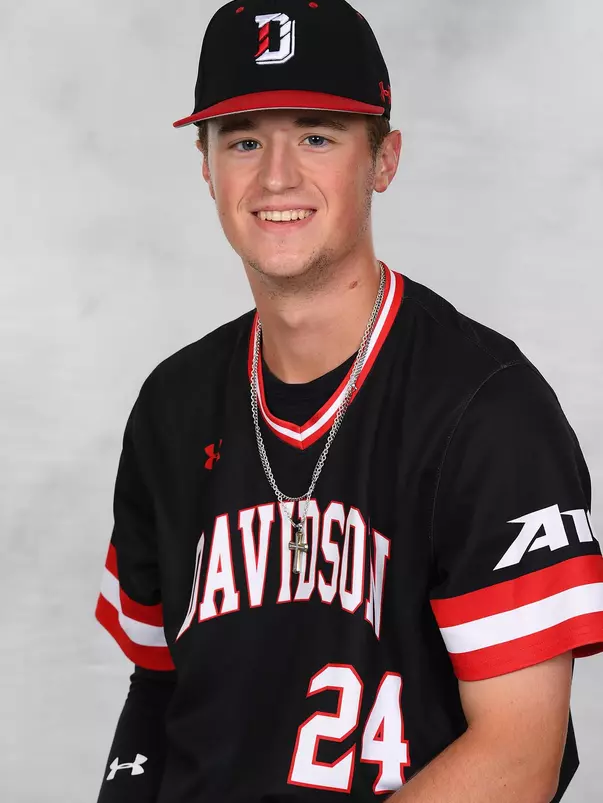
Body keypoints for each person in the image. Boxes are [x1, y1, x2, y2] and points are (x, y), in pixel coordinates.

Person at [94, 1, 603, 801]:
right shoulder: (171, 405)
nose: (276, 177)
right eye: (244, 140)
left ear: (383, 159)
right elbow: (156, 686)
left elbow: (517, 756)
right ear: (205, 166)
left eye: (317, 136)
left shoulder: (488, 411)